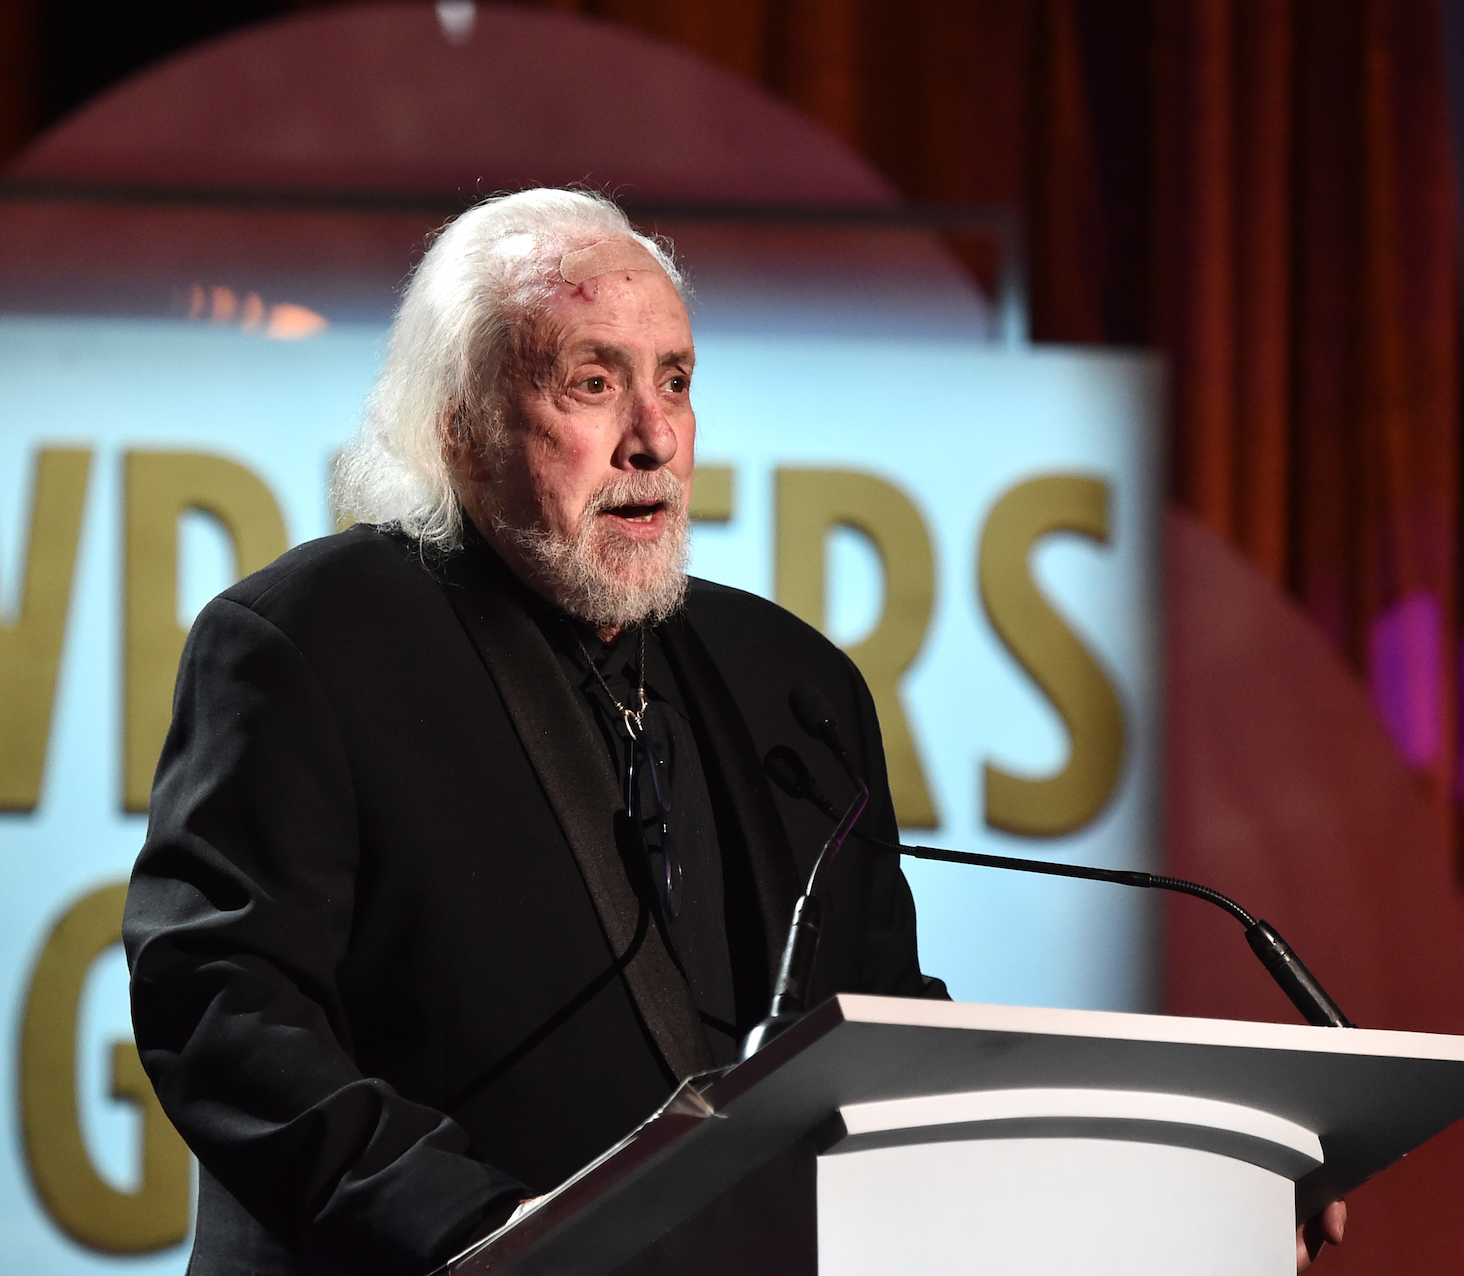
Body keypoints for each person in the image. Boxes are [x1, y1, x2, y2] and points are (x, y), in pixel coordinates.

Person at [123, 187, 1342, 1274]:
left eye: (677, 381)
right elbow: (221, 1001)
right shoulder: (310, 638)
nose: (652, 437)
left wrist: (1165, 1198)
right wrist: (471, 1228)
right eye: (593, 383)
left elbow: (885, 1042)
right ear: (461, 424)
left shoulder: (787, 682)